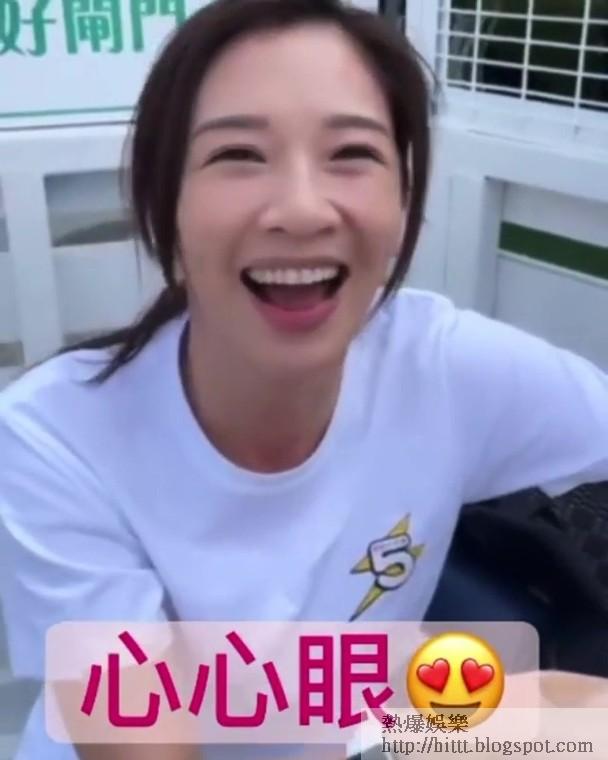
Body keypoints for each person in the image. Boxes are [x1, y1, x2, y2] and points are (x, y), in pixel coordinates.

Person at [0, 0, 607, 758]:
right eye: (238, 155)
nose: (300, 209)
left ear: (404, 199)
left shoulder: (446, 367)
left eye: (351, 153)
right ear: (166, 203)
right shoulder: (54, 440)